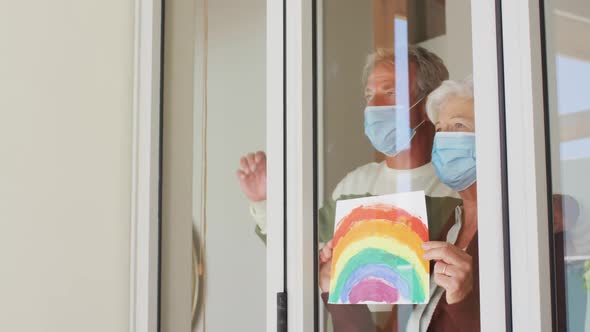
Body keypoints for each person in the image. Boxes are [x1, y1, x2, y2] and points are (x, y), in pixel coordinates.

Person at [236, 46, 459, 244]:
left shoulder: (459, 187)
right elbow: (296, 251)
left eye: (390, 93)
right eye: (369, 95)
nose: (373, 106)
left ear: (430, 105)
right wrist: (264, 201)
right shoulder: (355, 185)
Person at [319, 78, 479, 331]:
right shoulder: (448, 227)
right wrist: (332, 283)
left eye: (459, 125)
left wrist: (462, 301)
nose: (445, 140)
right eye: (440, 129)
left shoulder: (523, 233)